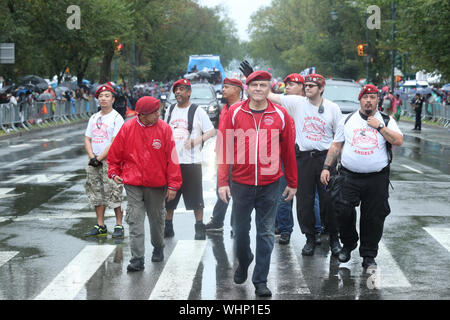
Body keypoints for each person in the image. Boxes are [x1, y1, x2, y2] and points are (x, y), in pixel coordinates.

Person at [217, 70, 297, 297]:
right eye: (255, 85)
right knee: (240, 232)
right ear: (247, 88)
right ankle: (244, 260)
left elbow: (289, 151)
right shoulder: (234, 112)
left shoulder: (280, 114)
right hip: (240, 183)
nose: (259, 89)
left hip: (270, 184)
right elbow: (224, 148)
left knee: (265, 233)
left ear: (269, 88)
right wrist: (223, 182)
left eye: (263, 85)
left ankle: (260, 280)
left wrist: (292, 182)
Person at [320, 84, 403, 269]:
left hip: (377, 178)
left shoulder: (386, 120)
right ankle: (349, 243)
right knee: (342, 210)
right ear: (360, 100)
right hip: (349, 176)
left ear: (377, 101)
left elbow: (398, 140)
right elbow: (336, 145)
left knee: (373, 217)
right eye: (365, 97)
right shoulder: (347, 119)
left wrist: (379, 126)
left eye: (373, 97)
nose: (369, 100)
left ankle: (368, 254)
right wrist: (327, 167)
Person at [266, 72, 343, 257]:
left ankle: (334, 239)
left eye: (312, 86)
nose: (307, 88)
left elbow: (338, 140)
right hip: (303, 158)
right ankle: (309, 237)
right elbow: (271, 96)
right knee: (304, 202)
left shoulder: (333, 108)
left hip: (325, 159)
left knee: (328, 202)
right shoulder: (297, 103)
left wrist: (328, 166)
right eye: (306, 85)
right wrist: (255, 78)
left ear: (321, 88)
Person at [107, 96, 182, 272]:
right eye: (154, 112)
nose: (158, 114)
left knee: (156, 219)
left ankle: (158, 246)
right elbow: (114, 155)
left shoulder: (164, 129)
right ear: (142, 115)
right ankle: (137, 258)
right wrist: (114, 173)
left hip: (156, 183)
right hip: (133, 182)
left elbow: (172, 159)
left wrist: (173, 185)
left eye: (158, 111)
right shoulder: (127, 128)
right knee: (135, 219)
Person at [164, 79, 216, 240]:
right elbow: (164, 129)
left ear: (189, 92)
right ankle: (168, 225)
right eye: (176, 90)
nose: (178, 92)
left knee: (195, 197)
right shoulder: (170, 109)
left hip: (192, 161)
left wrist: (195, 141)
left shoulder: (197, 110)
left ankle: (199, 226)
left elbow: (211, 131)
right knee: (169, 196)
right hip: (173, 161)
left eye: (181, 89)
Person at [84, 84, 125, 238]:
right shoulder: (94, 118)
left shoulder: (116, 118)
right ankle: (100, 225)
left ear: (113, 99)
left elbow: (115, 141)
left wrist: (100, 158)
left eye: (107, 96)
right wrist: (92, 156)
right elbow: (87, 138)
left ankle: (119, 225)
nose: (103, 99)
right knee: (96, 193)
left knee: (114, 192)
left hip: (110, 162)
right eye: (101, 96)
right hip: (93, 161)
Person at [205, 78, 243, 234]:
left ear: (237, 90)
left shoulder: (242, 108)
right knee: (221, 188)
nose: (223, 90)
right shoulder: (225, 107)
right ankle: (217, 220)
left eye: (227, 87)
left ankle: (237, 226)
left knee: (238, 194)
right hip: (223, 155)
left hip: (238, 157)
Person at [275, 73, 305, 245]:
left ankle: (316, 229)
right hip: (285, 154)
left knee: (309, 196)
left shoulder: (309, 105)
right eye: (286, 84)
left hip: (306, 156)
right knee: (284, 193)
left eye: (292, 84)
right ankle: (284, 228)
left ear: (302, 87)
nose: (288, 87)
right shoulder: (281, 105)